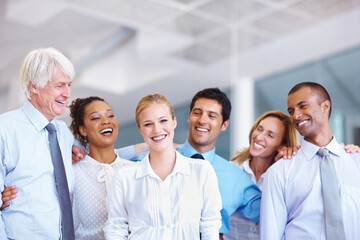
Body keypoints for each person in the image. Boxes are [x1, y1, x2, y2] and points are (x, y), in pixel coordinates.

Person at [104, 93, 222, 239]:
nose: (157, 130)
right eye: (148, 124)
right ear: (140, 129)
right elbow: (116, 228)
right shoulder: (124, 177)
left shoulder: (202, 171)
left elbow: (210, 225)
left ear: (174, 122)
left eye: (163, 121)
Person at [260, 82, 360, 239]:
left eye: (303, 106)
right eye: (291, 111)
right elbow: (270, 234)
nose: (296, 116)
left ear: (325, 106)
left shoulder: (356, 161)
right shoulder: (279, 171)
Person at [0, 48, 75, 239]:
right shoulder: (5, 128)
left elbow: (100, 162)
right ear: (34, 86)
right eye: (59, 85)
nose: (67, 93)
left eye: (69, 85)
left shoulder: (64, 134)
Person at [225, 111, 298, 240]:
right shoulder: (232, 168)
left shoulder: (284, 176)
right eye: (259, 129)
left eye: (270, 135)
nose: (259, 137)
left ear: (281, 145)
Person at [69, 96, 134, 239]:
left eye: (110, 115)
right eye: (95, 118)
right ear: (83, 130)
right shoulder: (73, 172)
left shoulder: (134, 170)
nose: (106, 121)